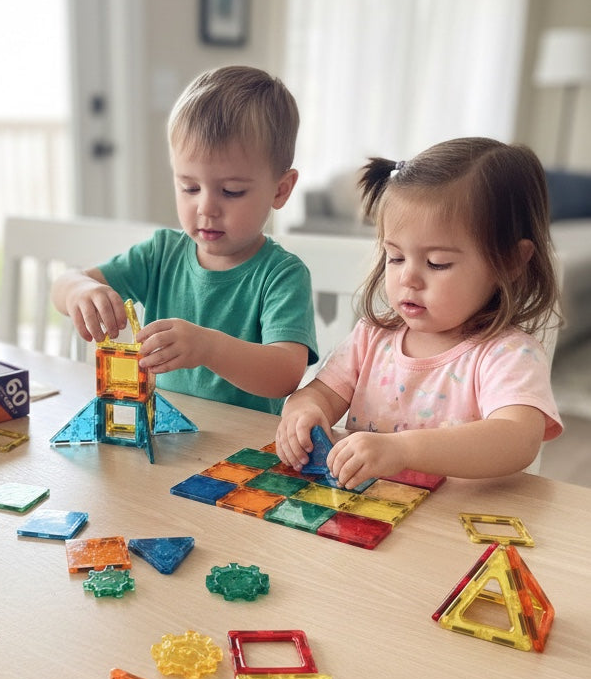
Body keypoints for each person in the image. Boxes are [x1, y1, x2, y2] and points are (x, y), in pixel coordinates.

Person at [275, 137, 563, 487]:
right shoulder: (372, 337)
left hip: (447, 532)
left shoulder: (508, 355)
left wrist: (404, 450)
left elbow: (518, 438)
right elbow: (318, 393)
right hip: (359, 522)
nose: (407, 277)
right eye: (395, 257)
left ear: (511, 261)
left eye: (437, 263)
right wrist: (304, 413)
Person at [51, 65, 318, 414]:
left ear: (280, 190)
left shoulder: (281, 274)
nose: (206, 207)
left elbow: (284, 374)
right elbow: (64, 285)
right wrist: (80, 292)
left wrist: (208, 348)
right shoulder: (161, 253)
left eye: (232, 191)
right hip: (166, 437)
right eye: (189, 187)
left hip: (241, 452)